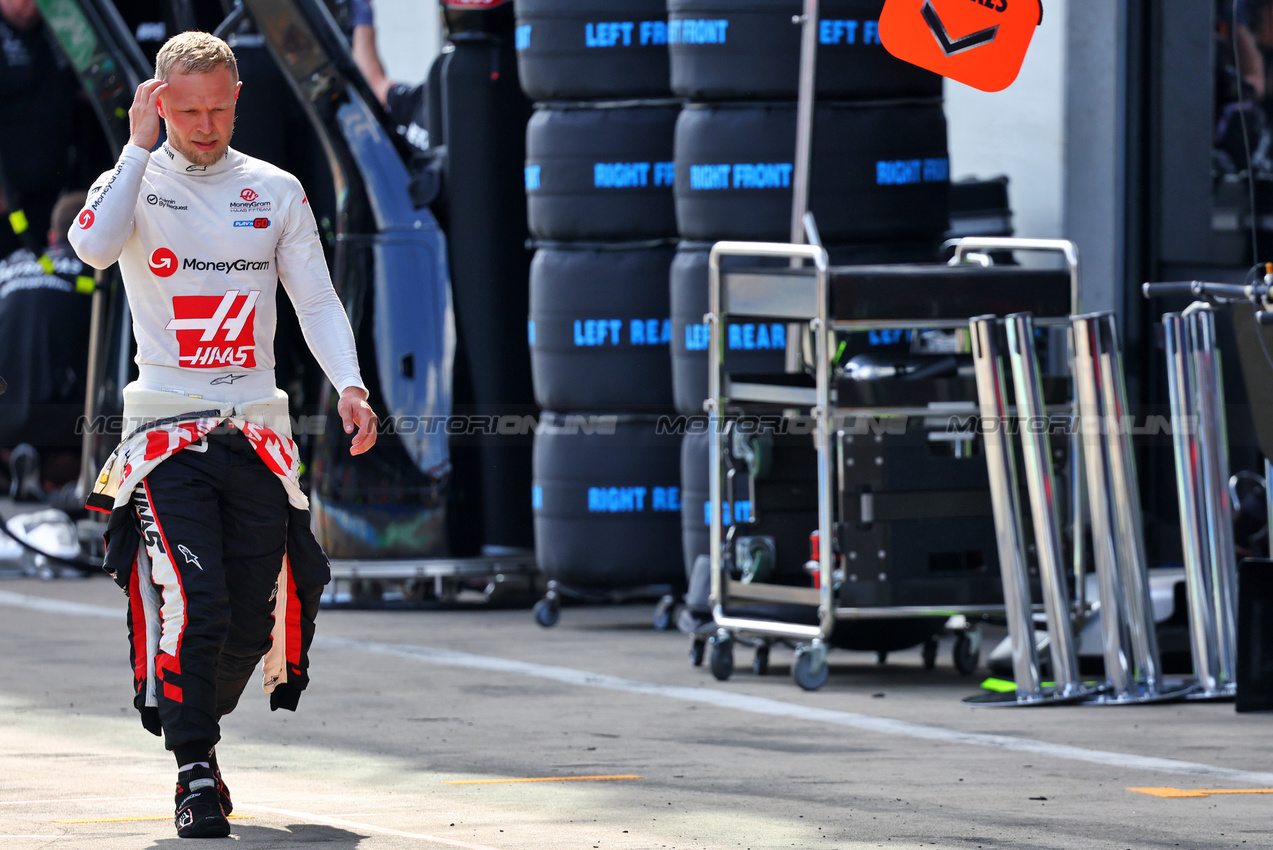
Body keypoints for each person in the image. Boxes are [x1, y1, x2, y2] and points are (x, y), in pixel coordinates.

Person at [68, 31, 377, 839]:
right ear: (158, 103)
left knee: (251, 617)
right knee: (196, 603)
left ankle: (187, 700)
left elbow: (315, 301)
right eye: (188, 111)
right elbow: (93, 249)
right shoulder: (130, 179)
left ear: (238, 100)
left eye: (219, 110)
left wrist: (350, 384)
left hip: (259, 435)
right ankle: (195, 768)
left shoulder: (275, 189)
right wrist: (135, 149)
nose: (205, 127)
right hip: (165, 438)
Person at [0, 190, 93, 501]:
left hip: (4, 428)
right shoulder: (96, 278)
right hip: (63, 440)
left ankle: (23, 469)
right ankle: (51, 481)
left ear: (52, 235)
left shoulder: (9, 264)